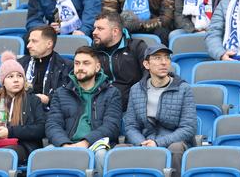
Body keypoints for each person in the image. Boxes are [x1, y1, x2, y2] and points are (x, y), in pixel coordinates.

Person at [45, 46, 122, 177]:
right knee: (46, 153)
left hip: (96, 144)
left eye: (86, 63)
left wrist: (85, 142)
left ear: (97, 67)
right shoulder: (61, 93)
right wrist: (65, 144)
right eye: (77, 63)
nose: (80, 67)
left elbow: (112, 126)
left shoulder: (111, 93)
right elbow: (52, 124)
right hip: (66, 142)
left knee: (101, 154)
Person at [124, 44, 197, 177]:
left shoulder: (183, 88)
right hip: (145, 140)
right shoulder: (136, 89)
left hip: (172, 142)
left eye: (167, 58)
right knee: (118, 150)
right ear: (146, 64)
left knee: (176, 149)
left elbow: (188, 127)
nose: (164, 62)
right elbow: (131, 126)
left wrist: (158, 143)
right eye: (157, 58)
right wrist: (141, 143)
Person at [92, 12, 147, 111]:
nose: (94, 32)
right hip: (100, 106)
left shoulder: (137, 47)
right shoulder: (93, 51)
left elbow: (148, 77)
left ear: (115, 31)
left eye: (100, 29)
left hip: (132, 106)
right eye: (95, 28)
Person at [18, 25, 72, 108]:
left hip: (52, 114)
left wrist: (48, 99)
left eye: (34, 41)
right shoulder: (19, 64)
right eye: (29, 41)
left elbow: (67, 98)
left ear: (49, 44)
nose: (28, 45)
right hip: (23, 112)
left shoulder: (66, 67)